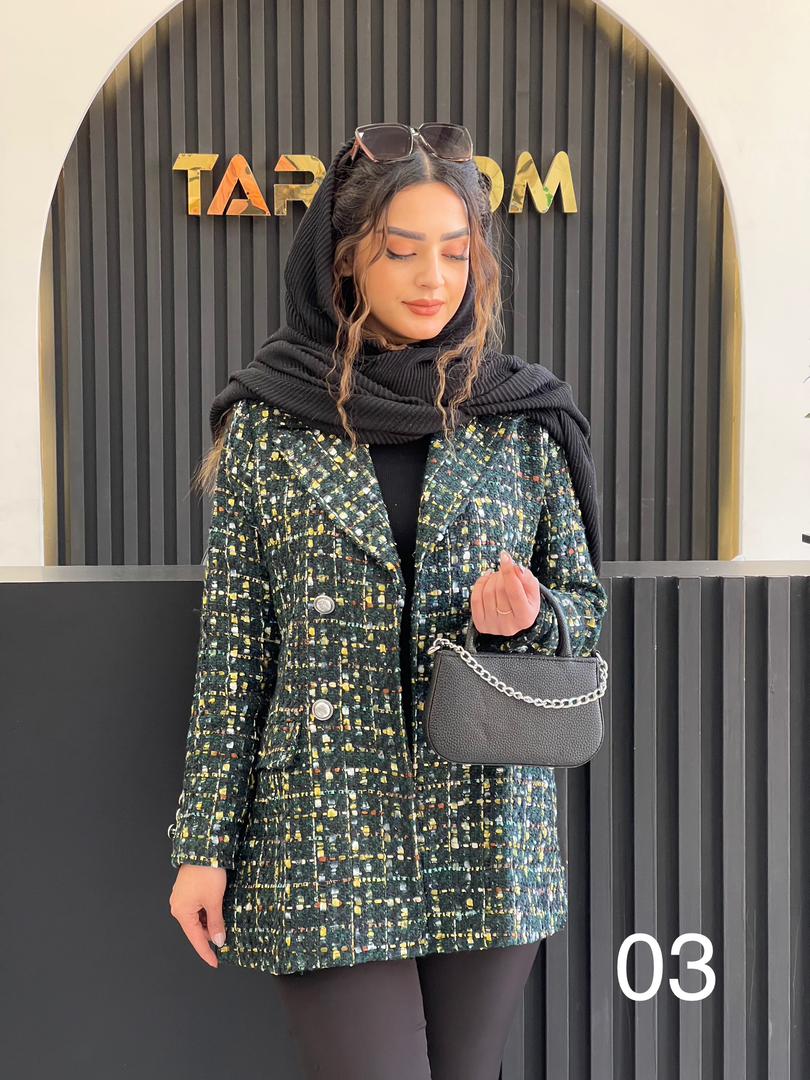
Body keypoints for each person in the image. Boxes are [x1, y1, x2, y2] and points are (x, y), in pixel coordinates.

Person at [167, 122, 608, 1080]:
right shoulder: (269, 419)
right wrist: (204, 844)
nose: (433, 278)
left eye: (455, 251)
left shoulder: (521, 416)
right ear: (344, 262)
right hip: (324, 818)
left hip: (484, 814)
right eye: (402, 251)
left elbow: (586, 607)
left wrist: (530, 618)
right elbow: (236, 650)